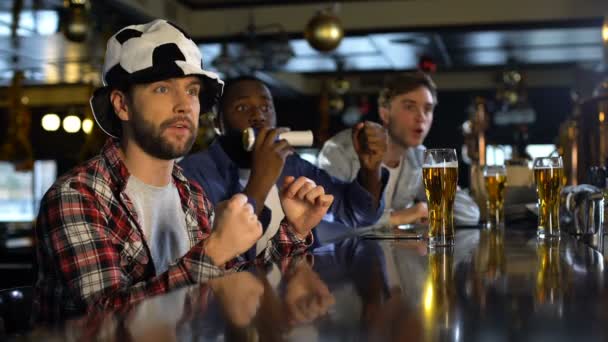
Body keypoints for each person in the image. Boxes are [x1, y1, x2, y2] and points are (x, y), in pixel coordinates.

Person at [34, 19, 333, 323]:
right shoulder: (78, 196)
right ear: (122, 105)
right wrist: (213, 253)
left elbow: (228, 282)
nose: (183, 105)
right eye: (162, 88)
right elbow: (106, 321)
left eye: (191, 90)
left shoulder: (190, 194)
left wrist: (295, 231)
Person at [179, 76, 388, 253]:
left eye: (266, 107)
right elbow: (219, 256)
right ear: (217, 124)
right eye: (242, 107)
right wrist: (262, 178)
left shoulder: (292, 164)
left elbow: (359, 215)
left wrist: (371, 169)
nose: (259, 117)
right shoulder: (192, 173)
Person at [318, 72, 479, 227]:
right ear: (385, 113)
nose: (421, 117)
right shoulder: (339, 151)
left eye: (428, 109)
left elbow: (470, 214)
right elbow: (328, 218)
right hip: (344, 254)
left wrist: (430, 208)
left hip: (395, 253)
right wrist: (399, 217)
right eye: (410, 107)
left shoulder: (420, 157)